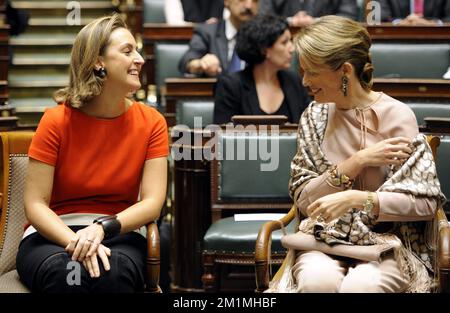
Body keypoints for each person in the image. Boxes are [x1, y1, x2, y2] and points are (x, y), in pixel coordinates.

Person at [268, 15, 445, 293]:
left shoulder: (397, 116)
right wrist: (357, 162)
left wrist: (360, 200)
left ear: (345, 71)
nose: (304, 81)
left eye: (312, 72)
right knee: (317, 282)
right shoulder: (314, 116)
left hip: (387, 244)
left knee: (361, 286)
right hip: (323, 240)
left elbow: (423, 204)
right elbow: (304, 201)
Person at [16, 14, 169, 293]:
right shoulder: (56, 120)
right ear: (98, 62)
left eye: (137, 50)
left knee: (113, 273)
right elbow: (36, 204)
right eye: (127, 51)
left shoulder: (152, 122)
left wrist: (101, 229)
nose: (140, 59)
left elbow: (152, 204)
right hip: (54, 235)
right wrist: (77, 242)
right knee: (65, 273)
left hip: (119, 233)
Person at [213, 14, 310, 125]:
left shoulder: (294, 80)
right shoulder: (230, 86)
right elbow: (223, 136)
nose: (292, 49)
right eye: (284, 42)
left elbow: (308, 125)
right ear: (264, 49)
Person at [178, 0, 259, 77]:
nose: (249, 5)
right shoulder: (208, 32)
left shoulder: (263, 36)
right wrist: (200, 64)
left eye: (255, 0)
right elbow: (186, 61)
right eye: (241, 0)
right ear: (226, 1)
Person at [259, 0, 357, 27]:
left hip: (327, 42)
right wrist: (291, 21)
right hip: (283, 41)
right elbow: (263, 18)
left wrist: (316, 21)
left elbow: (348, 17)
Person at [379, 0, 450, 25]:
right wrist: (399, 23)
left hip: (437, 40)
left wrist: (433, 24)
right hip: (396, 41)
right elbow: (381, 18)